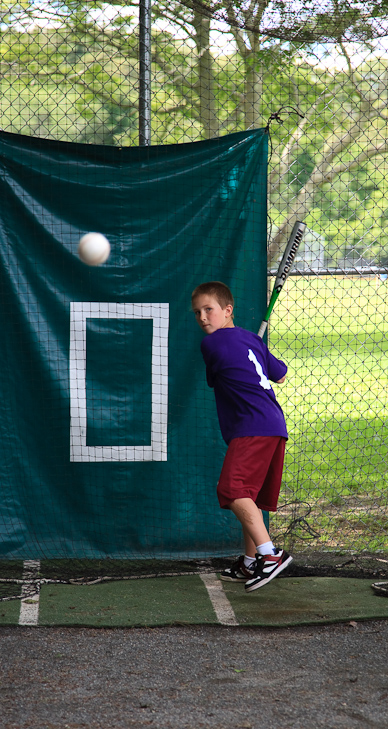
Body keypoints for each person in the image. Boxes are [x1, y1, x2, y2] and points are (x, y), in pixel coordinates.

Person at [191, 281, 292, 593]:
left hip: (253, 426)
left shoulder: (211, 346)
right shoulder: (249, 339)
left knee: (233, 489)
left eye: (209, 309)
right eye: (197, 313)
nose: (203, 317)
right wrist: (254, 345)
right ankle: (251, 561)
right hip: (273, 424)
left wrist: (241, 343)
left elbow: (215, 377)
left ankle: (269, 555)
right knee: (250, 494)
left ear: (228, 310)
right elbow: (282, 373)